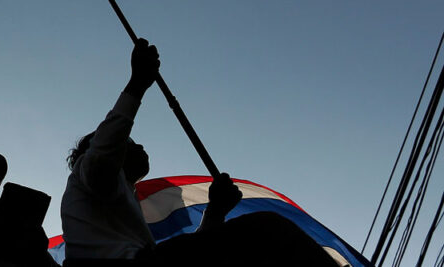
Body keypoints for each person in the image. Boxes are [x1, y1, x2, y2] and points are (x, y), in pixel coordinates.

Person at [60, 38, 336, 266]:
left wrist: (215, 211)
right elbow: (102, 156)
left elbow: (202, 255)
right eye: (128, 142)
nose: (140, 146)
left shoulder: (116, 213)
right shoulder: (90, 168)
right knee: (268, 232)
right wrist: (137, 85)